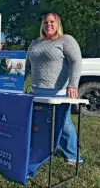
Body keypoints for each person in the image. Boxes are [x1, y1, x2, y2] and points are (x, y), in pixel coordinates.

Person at [25, 13, 83, 165]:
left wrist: (73, 84)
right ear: (42, 25)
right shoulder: (35, 43)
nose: (48, 24)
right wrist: (16, 82)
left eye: (52, 22)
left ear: (58, 24)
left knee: (63, 124)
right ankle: (39, 149)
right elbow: (26, 66)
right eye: (45, 22)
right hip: (36, 91)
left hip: (58, 93)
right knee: (38, 123)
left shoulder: (66, 40)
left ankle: (73, 156)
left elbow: (76, 61)